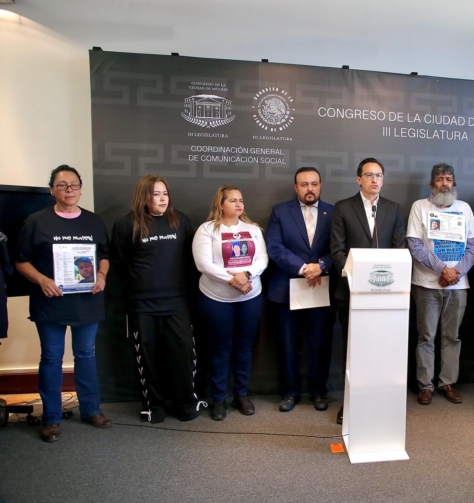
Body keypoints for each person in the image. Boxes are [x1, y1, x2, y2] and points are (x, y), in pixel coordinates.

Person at [15, 165, 112, 442]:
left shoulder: (94, 222)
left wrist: (102, 275)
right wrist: (42, 280)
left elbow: (104, 255)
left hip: (87, 301)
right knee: (51, 357)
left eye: (74, 185)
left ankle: (91, 410)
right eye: (62, 185)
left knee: (86, 355)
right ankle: (51, 418)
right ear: (52, 190)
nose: (69, 190)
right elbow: (21, 261)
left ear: (80, 189)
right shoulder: (36, 221)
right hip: (50, 301)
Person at [111, 174, 203, 423]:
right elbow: (119, 263)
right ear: (144, 197)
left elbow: (191, 259)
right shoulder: (126, 224)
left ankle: (186, 403)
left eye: (165, 194)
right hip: (142, 305)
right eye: (156, 194)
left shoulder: (180, 220)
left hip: (176, 302)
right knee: (147, 358)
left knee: (183, 353)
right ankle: (153, 406)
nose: (162, 199)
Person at [331, 157, 406, 424]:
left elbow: (399, 249)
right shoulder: (343, 207)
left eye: (379, 176)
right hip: (352, 292)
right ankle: (351, 402)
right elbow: (337, 250)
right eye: (369, 175)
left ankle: (378, 400)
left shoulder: (393, 209)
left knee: (381, 350)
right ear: (358, 179)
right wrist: (357, 278)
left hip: (385, 295)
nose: (375, 180)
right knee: (353, 350)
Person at [192, 185, 268, 421]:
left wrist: (246, 275)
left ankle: (241, 396)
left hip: (250, 298)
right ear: (220, 204)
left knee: (244, 348)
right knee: (220, 350)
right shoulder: (207, 230)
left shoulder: (253, 229)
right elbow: (203, 264)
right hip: (216, 300)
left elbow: (262, 259)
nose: (238, 204)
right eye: (233, 200)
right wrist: (234, 280)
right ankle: (218, 399)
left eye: (241, 200)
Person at [407, 163, 474, 405]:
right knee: (426, 337)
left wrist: (456, 272)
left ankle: (447, 383)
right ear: (431, 184)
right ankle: (425, 386)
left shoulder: (464, 208)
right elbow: (415, 245)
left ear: (454, 183)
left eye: (448, 179)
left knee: (452, 336)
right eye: (439, 179)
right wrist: (442, 269)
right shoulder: (419, 207)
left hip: (457, 285)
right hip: (427, 285)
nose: (444, 183)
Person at [267, 167, 335, 413]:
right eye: (304, 184)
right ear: (296, 187)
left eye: (314, 184)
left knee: (320, 343)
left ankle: (318, 392)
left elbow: (340, 247)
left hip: (321, 288)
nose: (310, 189)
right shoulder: (280, 211)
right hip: (287, 289)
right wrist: (304, 268)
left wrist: (322, 265)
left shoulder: (333, 212)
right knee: (287, 344)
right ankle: (290, 392)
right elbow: (274, 247)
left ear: (320, 185)